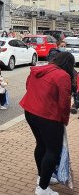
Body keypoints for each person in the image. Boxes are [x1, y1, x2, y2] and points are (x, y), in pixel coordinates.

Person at [20, 52, 75, 195]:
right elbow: (64, 102)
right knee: (52, 150)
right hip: (48, 116)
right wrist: (64, 119)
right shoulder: (63, 76)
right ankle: (42, 188)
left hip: (30, 112)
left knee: (41, 145)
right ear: (69, 65)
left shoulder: (39, 69)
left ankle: (43, 176)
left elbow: (28, 86)